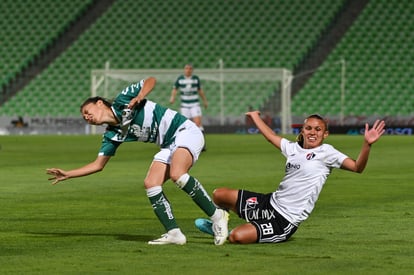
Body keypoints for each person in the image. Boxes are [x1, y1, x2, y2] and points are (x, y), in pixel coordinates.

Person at [46, 77, 228, 245]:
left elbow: (151, 80)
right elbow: (98, 165)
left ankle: (217, 215)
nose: (86, 117)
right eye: (84, 117)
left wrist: (140, 96)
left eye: (87, 111)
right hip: (168, 145)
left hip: (185, 131)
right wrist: (68, 174)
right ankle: (174, 233)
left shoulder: (123, 100)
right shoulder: (112, 134)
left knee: (177, 174)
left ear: (99, 103)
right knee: (151, 183)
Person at [195, 111, 385, 244]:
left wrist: (367, 145)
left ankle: (224, 230)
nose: (313, 132)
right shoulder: (293, 149)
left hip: (284, 220)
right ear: (302, 130)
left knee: (237, 237)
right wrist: (255, 117)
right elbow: (270, 136)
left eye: (318, 129)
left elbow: (357, 167)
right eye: (309, 128)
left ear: (325, 134)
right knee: (219, 194)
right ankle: (219, 222)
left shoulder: (327, 152)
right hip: (269, 202)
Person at [170, 64, 208, 150]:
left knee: (198, 123)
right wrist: (172, 97)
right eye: (186, 68)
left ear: (192, 70)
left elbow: (200, 90)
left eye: (190, 69)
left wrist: (205, 101)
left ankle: (202, 144)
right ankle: (185, 143)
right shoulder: (180, 79)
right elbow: (175, 89)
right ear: (184, 70)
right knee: (185, 124)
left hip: (195, 104)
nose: (188, 70)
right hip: (184, 106)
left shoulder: (195, 79)